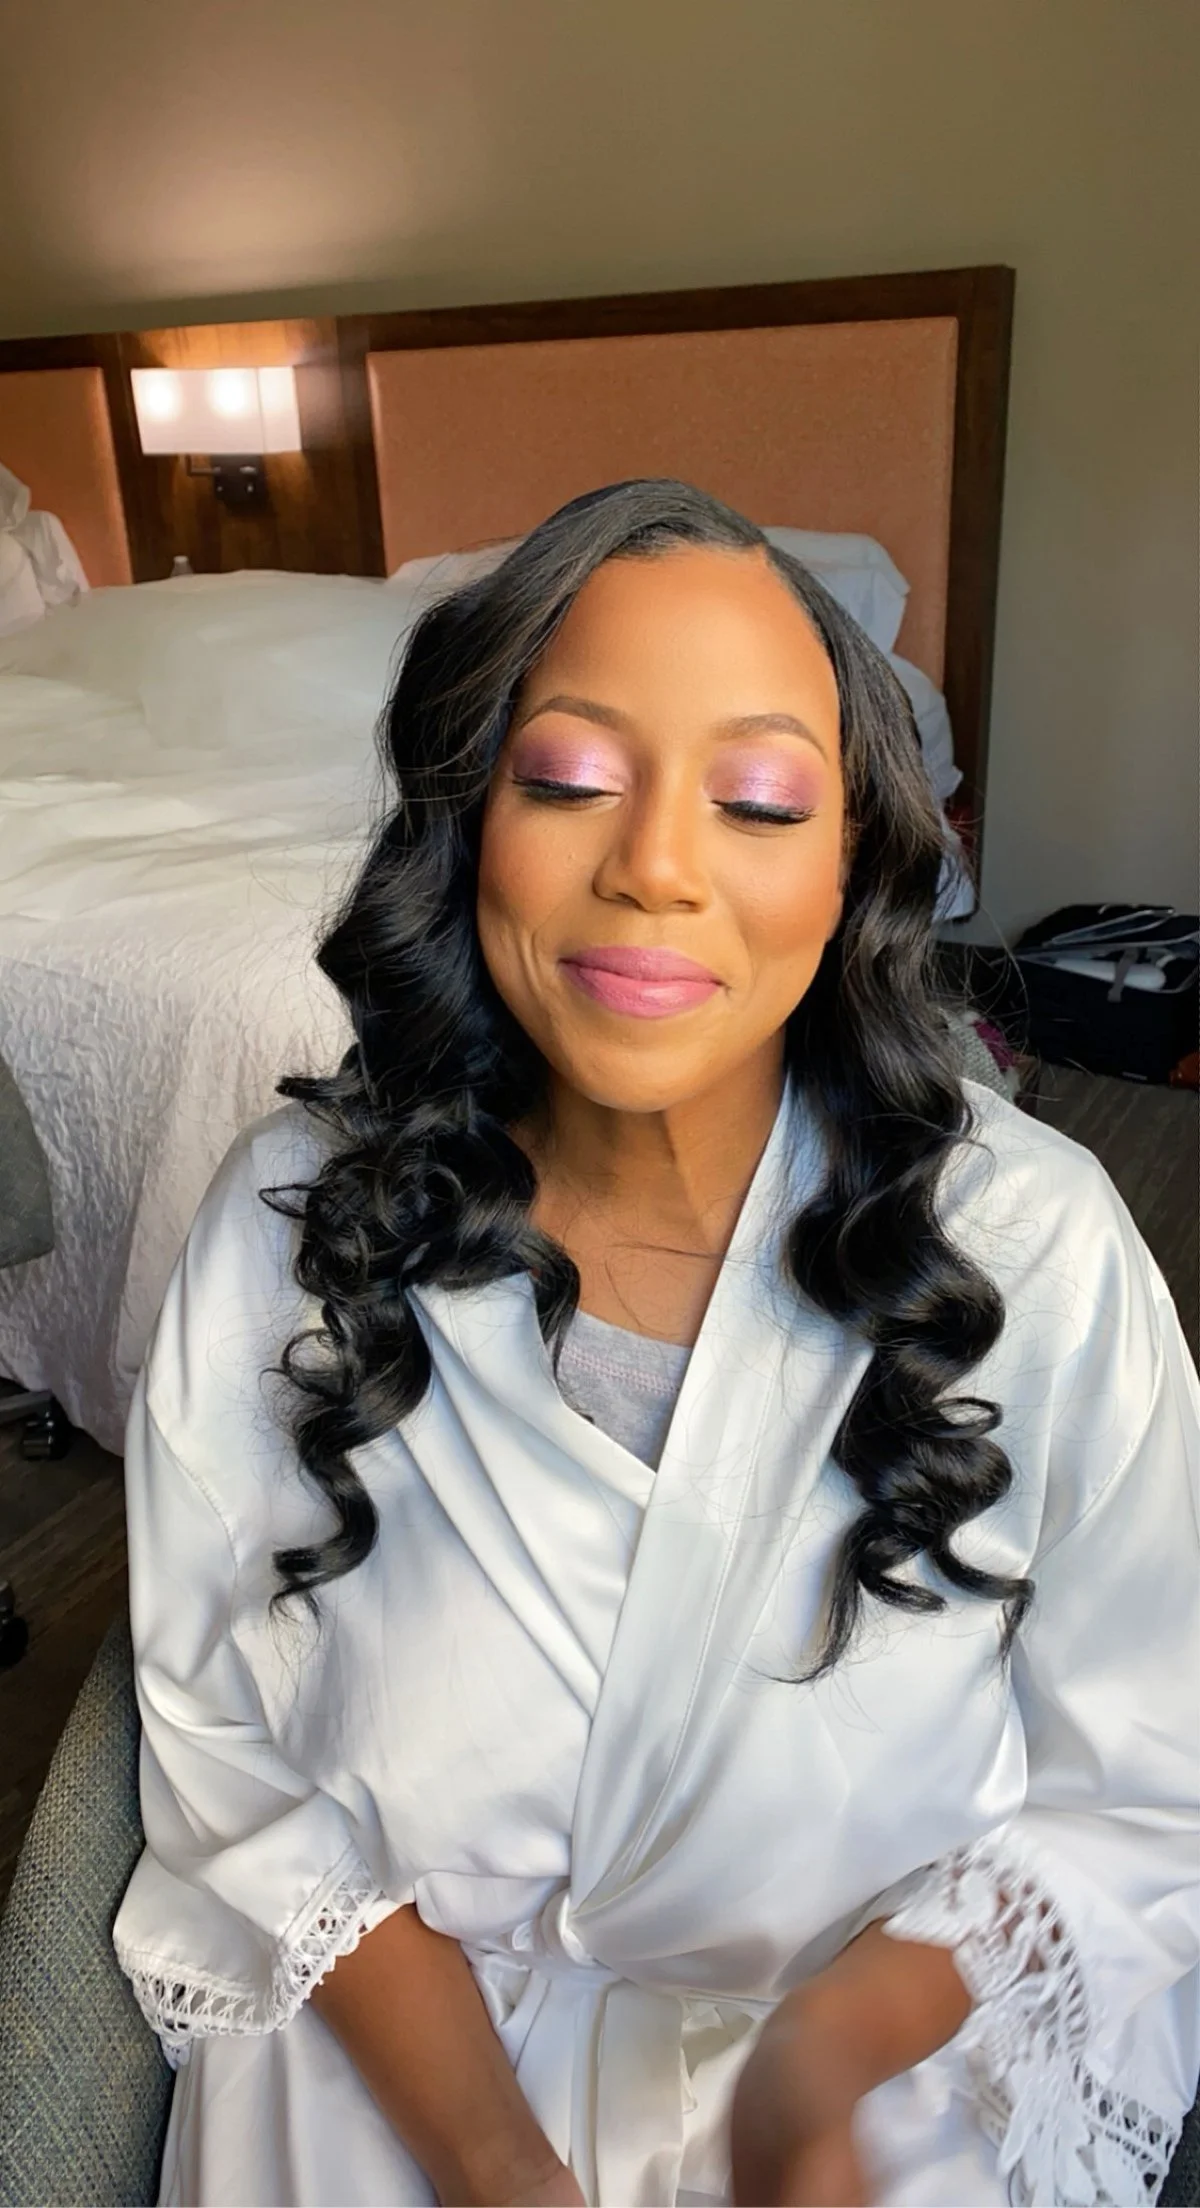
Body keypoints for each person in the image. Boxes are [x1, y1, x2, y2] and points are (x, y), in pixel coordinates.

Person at [113, 480, 1200, 2208]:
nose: (656, 869)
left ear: (854, 861)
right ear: (470, 818)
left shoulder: (1037, 1254)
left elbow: (1143, 1779)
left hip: (868, 2095)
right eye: (566, 779)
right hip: (393, 2087)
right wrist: (497, 2162)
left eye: (759, 797)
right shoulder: (295, 1228)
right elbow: (227, 1757)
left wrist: (817, 2080)